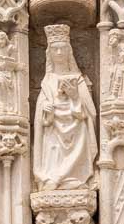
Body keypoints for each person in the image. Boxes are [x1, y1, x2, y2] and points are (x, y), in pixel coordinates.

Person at [33, 24, 97, 191]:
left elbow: (90, 113)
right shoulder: (47, 81)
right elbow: (42, 117)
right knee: (52, 142)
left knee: (81, 131)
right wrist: (45, 109)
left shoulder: (79, 79)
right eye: (55, 49)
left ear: (69, 51)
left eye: (62, 49)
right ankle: (52, 177)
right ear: (50, 53)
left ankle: (72, 177)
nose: (59, 53)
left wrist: (75, 97)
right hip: (54, 128)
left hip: (75, 125)